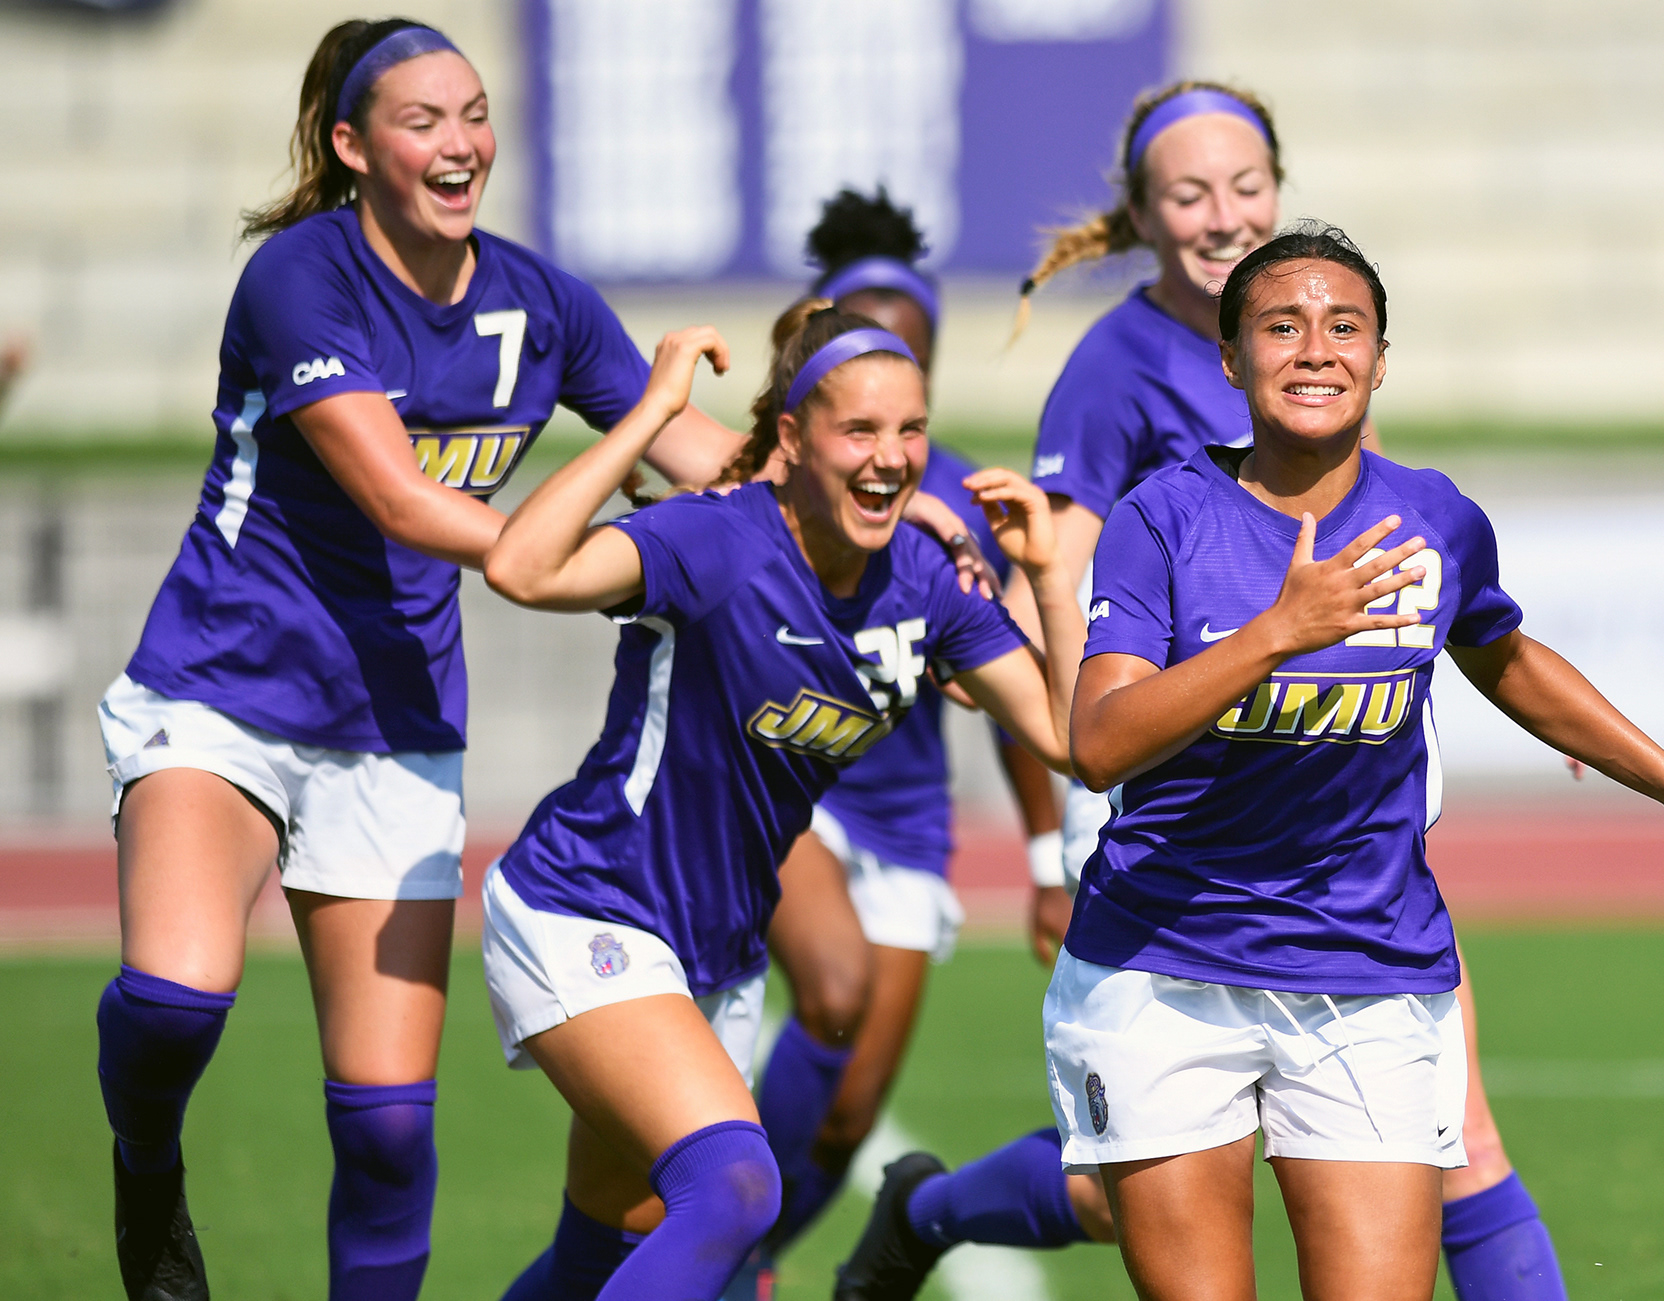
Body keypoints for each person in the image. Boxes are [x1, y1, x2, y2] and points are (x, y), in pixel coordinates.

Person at [844, 81, 1562, 1301]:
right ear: (1140, 213)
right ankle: (938, 1205)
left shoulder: (1310, 307)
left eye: (1246, 186)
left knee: (1457, 1140)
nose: (1223, 214)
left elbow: (1420, 571)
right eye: (1188, 194)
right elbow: (1064, 575)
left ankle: (932, 1204)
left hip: (1346, 814)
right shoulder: (1116, 368)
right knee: (1137, 1194)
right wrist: (1047, 799)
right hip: (1162, 791)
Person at [91, 19, 737, 1301]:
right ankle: (145, 1161)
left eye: (476, 115)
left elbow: (713, 465)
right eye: (423, 121)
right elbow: (403, 501)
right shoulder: (301, 279)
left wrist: (885, 506)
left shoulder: (541, 300)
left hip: (395, 726)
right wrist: (566, 554)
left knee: (388, 1125)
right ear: (351, 145)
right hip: (222, 690)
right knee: (175, 996)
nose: (462, 145)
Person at [1050, 225, 1664, 1300]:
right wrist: (1275, 632)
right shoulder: (1161, 518)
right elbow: (1100, 741)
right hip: (1164, 967)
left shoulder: (1433, 515)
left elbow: (1509, 657)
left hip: (1370, 970)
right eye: (1281, 326)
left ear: (1381, 359)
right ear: (1230, 360)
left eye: (1344, 326)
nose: (1315, 349)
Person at [482, 307, 1086, 1301]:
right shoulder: (718, 539)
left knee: (604, 1253)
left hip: (714, 951)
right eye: (860, 430)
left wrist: (1051, 576)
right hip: (590, 902)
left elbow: (1071, 738)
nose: (891, 458)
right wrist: (651, 415)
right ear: (794, 440)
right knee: (735, 1189)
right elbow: (521, 566)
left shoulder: (926, 582)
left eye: (911, 431)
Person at [741, 189, 1076, 1291]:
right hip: (787, 791)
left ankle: (754, 1259)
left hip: (901, 815)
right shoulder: (757, 485)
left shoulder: (966, 499)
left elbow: (1028, 708)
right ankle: (721, 1249)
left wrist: (1043, 857)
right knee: (830, 993)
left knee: (845, 1122)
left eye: (910, 364)